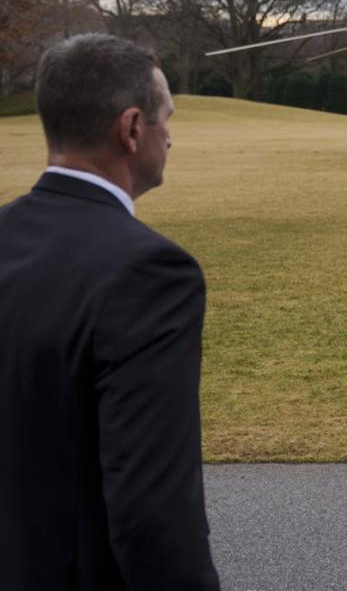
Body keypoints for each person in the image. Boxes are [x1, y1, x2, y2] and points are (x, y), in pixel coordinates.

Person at [0, 34, 220, 589]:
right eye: (165, 119)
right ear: (131, 129)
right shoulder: (150, 274)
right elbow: (152, 510)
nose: (170, 138)